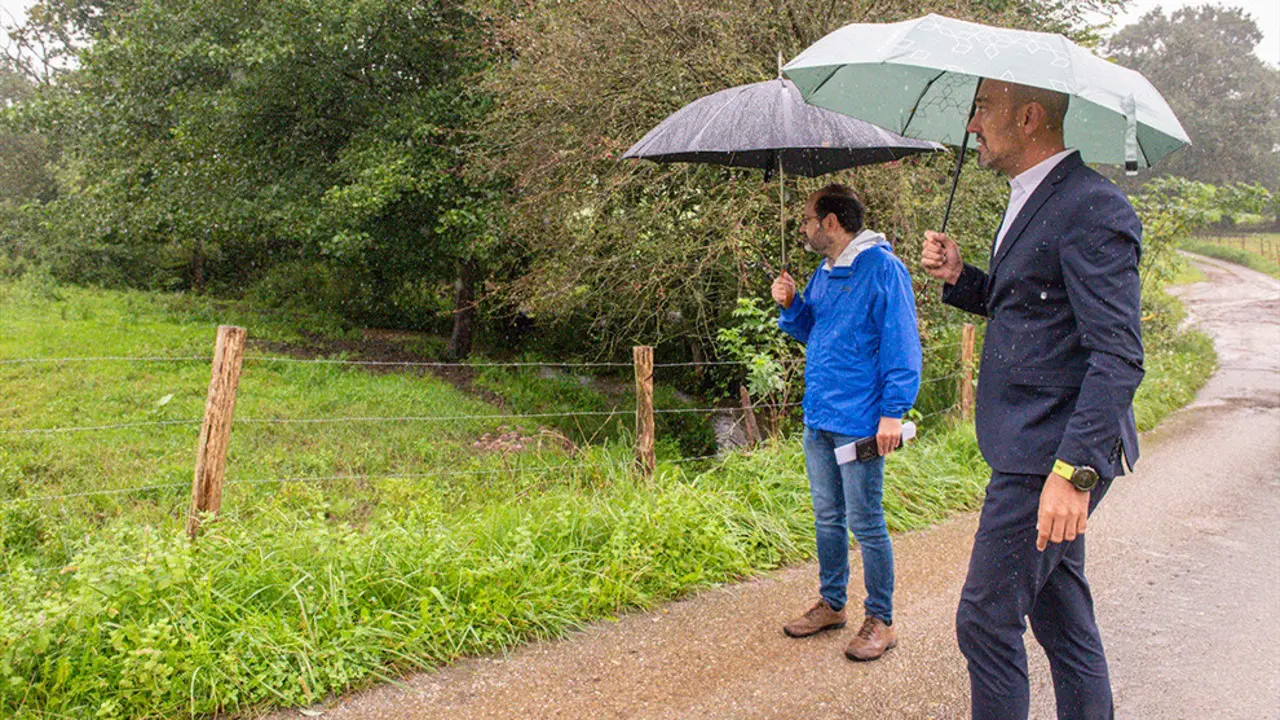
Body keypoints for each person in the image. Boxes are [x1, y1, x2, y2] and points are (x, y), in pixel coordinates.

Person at [920, 78, 1144, 719]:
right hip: (1029, 443)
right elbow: (1033, 308)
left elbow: (1119, 354)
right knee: (1062, 621)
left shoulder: (1092, 206)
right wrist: (963, 277)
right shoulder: (1035, 198)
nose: (971, 125)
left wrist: (1073, 473)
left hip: (1049, 454)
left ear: (1029, 117)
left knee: (985, 622)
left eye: (981, 109)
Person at [772, 183, 922, 662]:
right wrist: (792, 304)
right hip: (820, 416)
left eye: (809, 220)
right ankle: (832, 604)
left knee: (867, 522)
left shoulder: (884, 270)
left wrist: (893, 413)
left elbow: (902, 344)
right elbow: (813, 332)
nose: (804, 228)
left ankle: (882, 619)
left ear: (831, 223)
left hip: (860, 420)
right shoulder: (825, 272)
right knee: (827, 518)